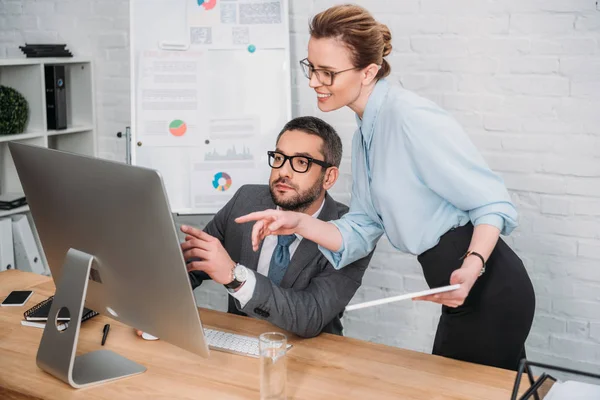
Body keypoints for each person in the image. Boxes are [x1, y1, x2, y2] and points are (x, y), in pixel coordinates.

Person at [236, 5, 535, 370]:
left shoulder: (409, 117)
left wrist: (472, 265)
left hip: (487, 285)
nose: (314, 81)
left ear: (369, 71)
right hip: (458, 286)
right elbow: (362, 227)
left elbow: (492, 203)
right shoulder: (367, 130)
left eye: (327, 72)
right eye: (311, 68)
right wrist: (299, 224)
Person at [140, 116, 372, 339]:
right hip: (239, 344)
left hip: (313, 358)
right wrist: (157, 309)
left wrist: (235, 277)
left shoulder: (352, 232)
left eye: (301, 162)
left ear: (329, 177)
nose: (283, 172)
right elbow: (191, 266)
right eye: (279, 158)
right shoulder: (246, 200)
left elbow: (309, 316)